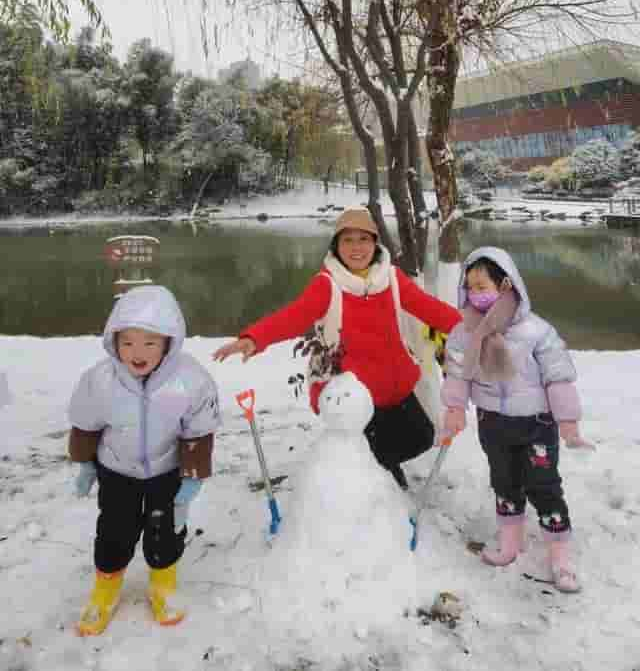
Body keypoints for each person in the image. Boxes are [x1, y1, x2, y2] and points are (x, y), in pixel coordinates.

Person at [213, 207, 461, 489]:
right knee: (372, 452)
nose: (357, 248)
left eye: (364, 239)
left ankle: (379, 470)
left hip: (398, 384)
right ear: (336, 245)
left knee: (421, 437)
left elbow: (429, 308)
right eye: (348, 240)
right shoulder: (327, 285)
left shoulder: (390, 278)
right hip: (357, 393)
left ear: (375, 242)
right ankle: (373, 485)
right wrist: (255, 338)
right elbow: (294, 316)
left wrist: (471, 328)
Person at [68, 284, 221, 636]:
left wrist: (193, 476)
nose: (137, 353)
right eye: (127, 343)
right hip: (117, 472)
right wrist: (86, 463)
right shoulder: (100, 380)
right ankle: (105, 590)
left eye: (149, 343)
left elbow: (199, 430)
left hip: (166, 474)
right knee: (113, 531)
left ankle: (163, 585)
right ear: (114, 341)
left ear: (169, 342)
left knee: (164, 531)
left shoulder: (190, 380)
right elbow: (85, 423)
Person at [441, 246, 591, 593]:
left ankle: (560, 556)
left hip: (536, 423)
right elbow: (458, 375)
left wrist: (568, 422)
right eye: (471, 287)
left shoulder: (537, 331)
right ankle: (510, 544)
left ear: (506, 285)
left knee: (543, 485)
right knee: (504, 483)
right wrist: (453, 410)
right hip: (492, 422)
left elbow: (557, 377)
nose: (476, 294)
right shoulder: (465, 333)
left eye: (484, 286)